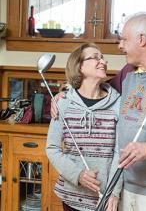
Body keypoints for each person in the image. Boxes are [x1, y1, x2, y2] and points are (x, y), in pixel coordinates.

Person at [51, 13, 146, 211]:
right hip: (123, 185)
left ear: (141, 40)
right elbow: (96, 91)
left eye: (123, 39)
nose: (120, 46)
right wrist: (64, 93)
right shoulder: (128, 72)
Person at [46, 43, 122, 211]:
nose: (102, 61)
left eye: (102, 57)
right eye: (95, 57)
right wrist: (78, 175)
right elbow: (52, 148)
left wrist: (114, 192)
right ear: (79, 66)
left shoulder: (118, 104)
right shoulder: (64, 103)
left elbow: (120, 152)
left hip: (106, 199)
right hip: (72, 197)